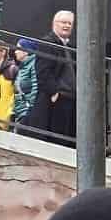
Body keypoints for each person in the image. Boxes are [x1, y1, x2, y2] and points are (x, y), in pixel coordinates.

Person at [35, 10, 76, 141]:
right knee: (58, 137)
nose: (67, 26)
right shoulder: (47, 43)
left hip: (71, 96)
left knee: (68, 136)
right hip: (58, 97)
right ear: (54, 24)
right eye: (63, 22)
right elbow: (42, 71)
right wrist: (54, 91)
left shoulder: (70, 47)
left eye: (70, 23)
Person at [10, 39, 41, 133]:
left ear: (26, 51)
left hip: (28, 113)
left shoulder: (34, 64)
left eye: (18, 48)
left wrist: (30, 108)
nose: (15, 51)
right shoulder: (22, 67)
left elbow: (36, 88)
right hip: (20, 112)